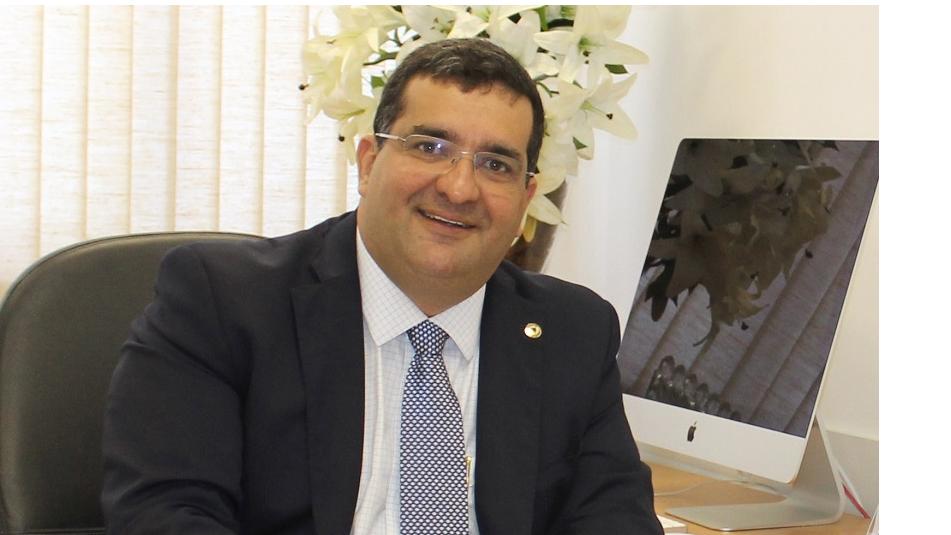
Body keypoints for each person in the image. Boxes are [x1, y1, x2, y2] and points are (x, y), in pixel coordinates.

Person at [102, 38, 662, 535]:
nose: (460, 188)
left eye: (495, 164)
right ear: (369, 162)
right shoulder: (223, 301)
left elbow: (616, 518)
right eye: (430, 147)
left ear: (526, 198)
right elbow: (165, 513)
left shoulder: (572, 331)